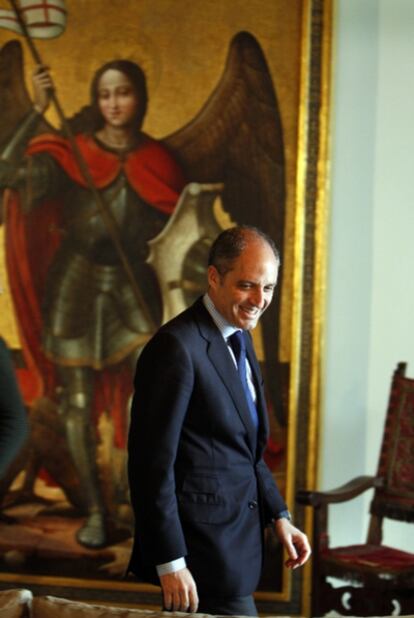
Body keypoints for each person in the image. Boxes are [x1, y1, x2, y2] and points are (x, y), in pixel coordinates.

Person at [0, 60, 185, 547]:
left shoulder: (161, 161)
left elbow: (188, 229)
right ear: (96, 101)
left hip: (134, 286)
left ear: (140, 98)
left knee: (147, 397)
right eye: (105, 95)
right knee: (77, 402)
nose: (114, 103)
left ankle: (140, 503)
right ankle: (99, 512)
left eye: (123, 93)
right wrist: (38, 110)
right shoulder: (73, 154)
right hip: (75, 285)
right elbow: (6, 173)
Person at [127, 225, 311, 616]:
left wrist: (279, 515)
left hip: (237, 549)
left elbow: (247, 450)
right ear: (214, 277)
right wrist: (171, 562)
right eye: (247, 285)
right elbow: (150, 467)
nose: (259, 300)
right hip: (199, 560)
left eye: (269, 288)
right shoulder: (175, 347)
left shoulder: (241, 336)